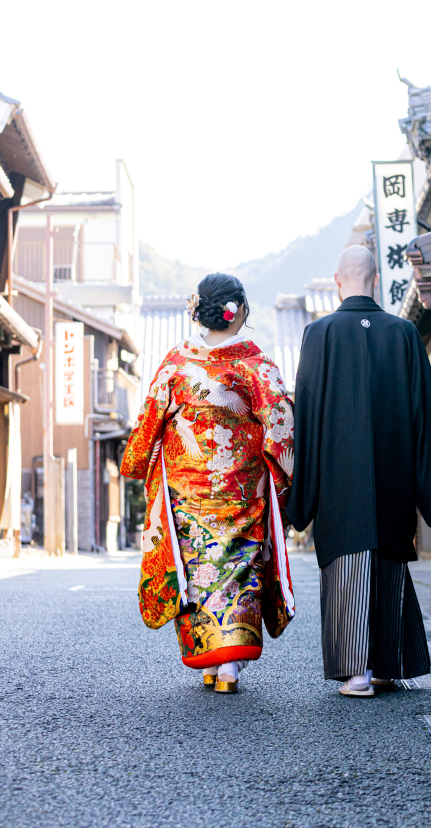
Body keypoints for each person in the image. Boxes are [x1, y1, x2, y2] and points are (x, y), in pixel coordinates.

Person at [287, 245, 431, 697]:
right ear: (375, 279)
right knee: (388, 559)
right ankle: (385, 665)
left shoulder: (318, 334)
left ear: (338, 281)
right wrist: (426, 485)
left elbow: (308, 415)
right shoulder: (403, 334)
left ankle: (355, 672)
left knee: (347, 567)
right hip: (395, 475)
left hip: (340, 480)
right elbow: (424, 416)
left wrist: (304, 487)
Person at [121, 273, 294, 694]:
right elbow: (282, 423)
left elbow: (148, 421)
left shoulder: (176, 364)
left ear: (200, 312)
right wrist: (283, 477)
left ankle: (209, 661)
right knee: (238, 566)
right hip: (241, 490)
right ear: (240, 313)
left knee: (196, 570)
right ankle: (230, 664)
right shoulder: (257, 366)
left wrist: (136, 463)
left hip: (188, 493)